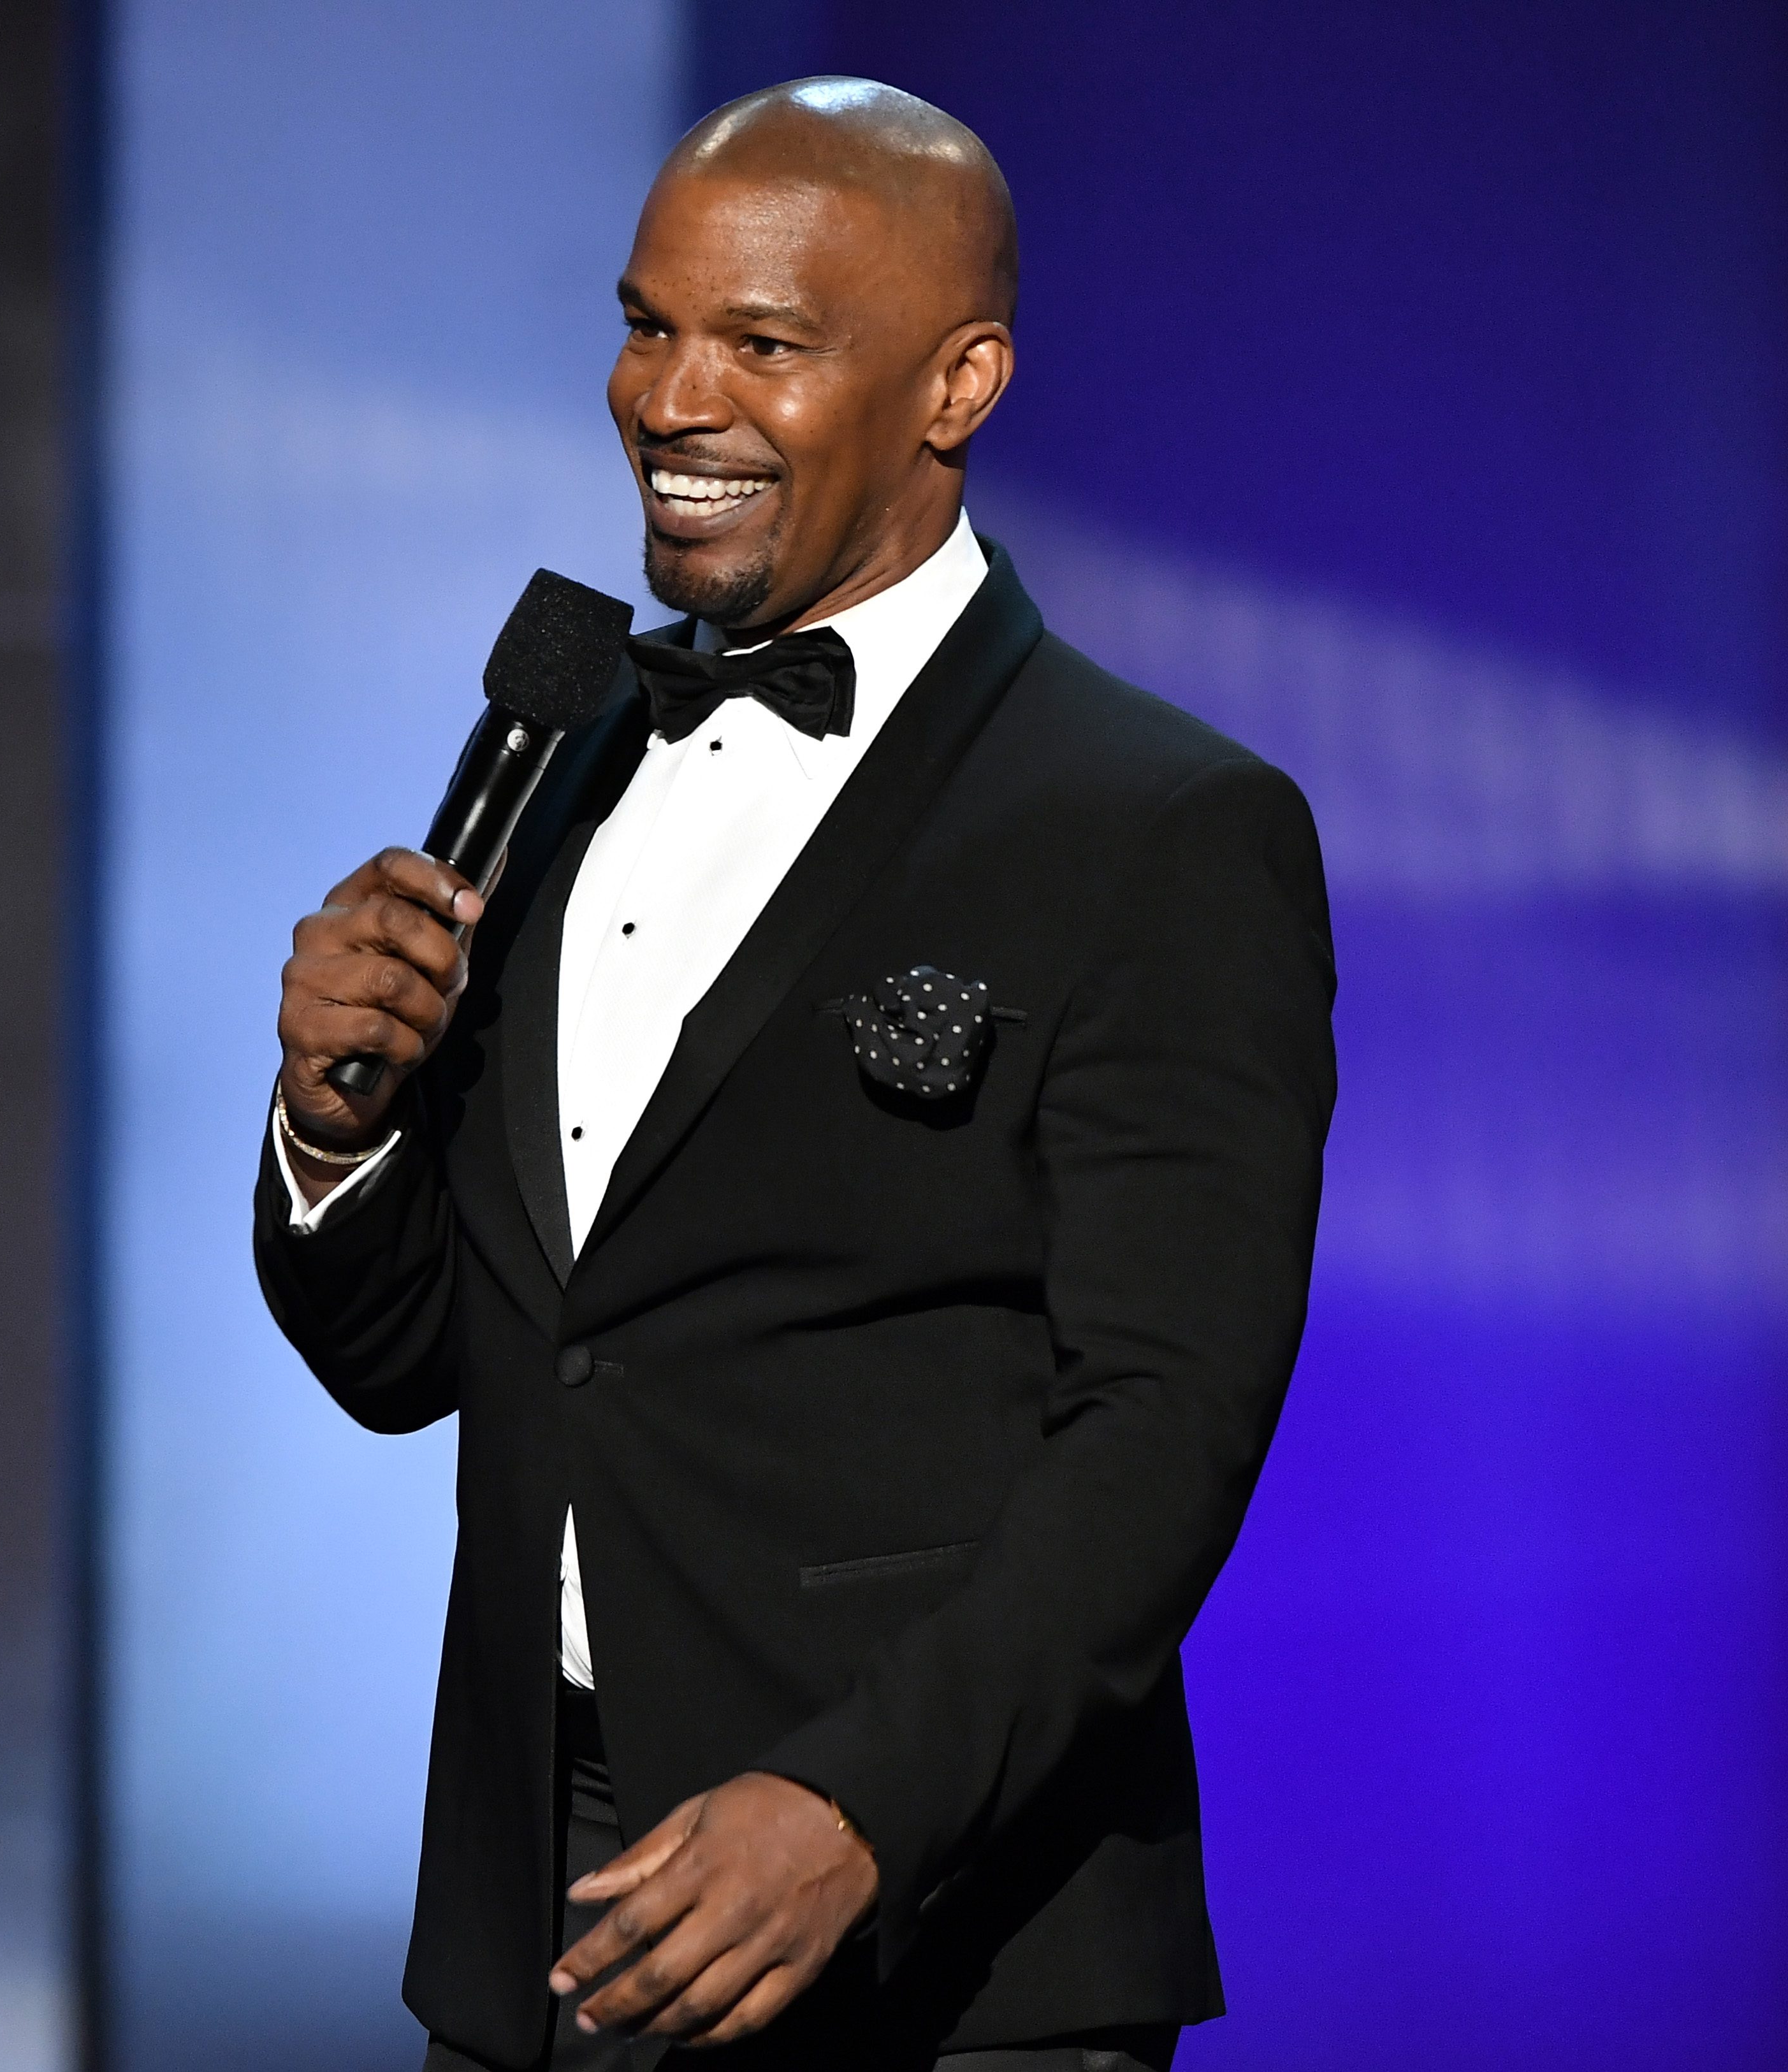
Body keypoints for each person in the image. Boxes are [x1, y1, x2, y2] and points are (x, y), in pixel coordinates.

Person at [258, 76, 1335, 2071]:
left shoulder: (1161, 827)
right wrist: (337, 1129)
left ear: (958, 384)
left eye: (762, 344)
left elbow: (1163, 1428)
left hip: (943, 1943)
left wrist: (857, 1803)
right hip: (540, 1914)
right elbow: (434, 1353)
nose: (672, 400)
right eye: (646, 323)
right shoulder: (562, 755)